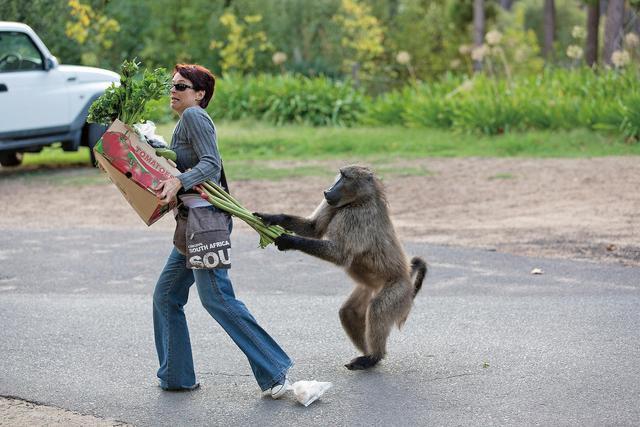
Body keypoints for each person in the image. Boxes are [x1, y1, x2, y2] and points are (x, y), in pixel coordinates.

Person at [154, 63, 292, 398]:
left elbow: (211, 165)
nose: (173, 92)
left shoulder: (194, 117)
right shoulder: (184, 122)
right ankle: (175, 375)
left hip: (205, 225)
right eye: (171, 87)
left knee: (217, 299)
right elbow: (191, 160)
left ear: (199, 95)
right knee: (167, 295)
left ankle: (274, 369)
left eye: (181, 87)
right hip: (192, 223)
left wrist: (178, 180)